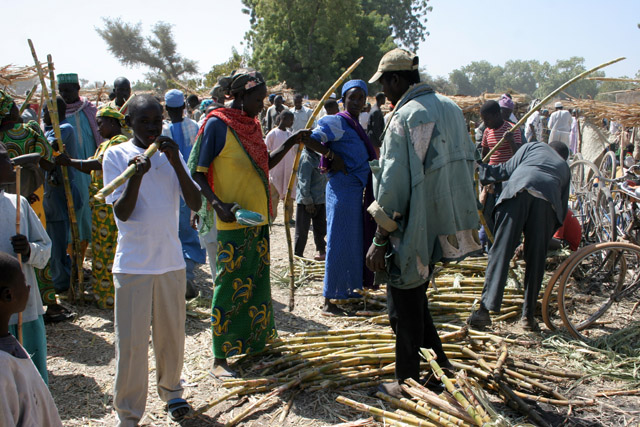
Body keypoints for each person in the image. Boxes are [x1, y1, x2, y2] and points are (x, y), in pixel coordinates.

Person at [365, 48, 481, 399]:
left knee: (402, 306)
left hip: (412, 226)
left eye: (384, 84)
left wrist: (380, 238)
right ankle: (441, 371)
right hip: (445, 222)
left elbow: (394, 185)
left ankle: (407, 383)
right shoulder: (451, 108)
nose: (383, 94)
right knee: (414, 300)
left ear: (396, 79)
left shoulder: (406, 117)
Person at [188, 69, 308, 379]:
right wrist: (217, 205)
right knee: (228, 287)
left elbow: (264, 163)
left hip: (257, 221)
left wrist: (294, 140)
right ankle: (219, 356)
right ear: (240, 97)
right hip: (232, 219)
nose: (261, 105)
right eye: (257, 99)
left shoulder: (252, 125)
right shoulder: (217, 124)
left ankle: (255, 343)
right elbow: (197, 172)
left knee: (256, 284)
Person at [102, 94, 201, 425]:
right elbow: (123, 213)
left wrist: (175, 163)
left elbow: (195, 202)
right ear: (128, 122)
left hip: (170, 262)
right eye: (143, 121)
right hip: (133, 265)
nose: (151, 128)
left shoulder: (170, 154)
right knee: (130, 344)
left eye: (156, 121)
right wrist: (137, 176)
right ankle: (128, 412)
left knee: (171, 337)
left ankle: (173, 393)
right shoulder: (116, 156)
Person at [467, 141, 570, 331]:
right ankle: (528, 317)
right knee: (536, 260)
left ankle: (484, 311)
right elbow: (561, 209)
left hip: (517, 191)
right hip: (546, 202)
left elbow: (505, 170)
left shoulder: (533, 147)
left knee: (501, 252)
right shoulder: (564, 167)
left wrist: (479, 169)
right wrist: (544, 237)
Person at [302, 79, 377, 316]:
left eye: (361, 98)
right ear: (343, 100)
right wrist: (332, 154)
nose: (356, 102)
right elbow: (309, 140)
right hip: (342, 191)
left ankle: (348, 290)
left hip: (355, 193)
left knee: (352, 243)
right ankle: (329, 300)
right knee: (336, 243)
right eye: (352, 97)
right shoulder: (337, 121)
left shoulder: (355, 124)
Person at [0, 90, 70, 323]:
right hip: (32, 197)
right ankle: (48, 304)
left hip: (15, 199)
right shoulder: (30, 131)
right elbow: (49, 161)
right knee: (36, 246)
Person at [55, 106, 129, 309]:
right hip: (99, 208)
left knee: (109, 250)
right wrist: (70, 160)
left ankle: (113, 298)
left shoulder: (119, 143)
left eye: (100, 123)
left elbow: (98, 165)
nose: (97, 128)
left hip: (110, 206)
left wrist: (70, 162)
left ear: (113, 123)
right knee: (102, 251)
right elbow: (91, 165)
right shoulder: (105, 144)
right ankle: (104, 295)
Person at [0, 144, 53, 384]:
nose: (13, 163)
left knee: (31, 370)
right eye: (5, 159)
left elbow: (45, 248)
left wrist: (30, 249)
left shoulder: (18, 204)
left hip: (25, 309)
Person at [0, 253, 62, 426]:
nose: (28, 287)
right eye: (23, 281)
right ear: (8, 295)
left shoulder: (9, 348)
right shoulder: (3, 367)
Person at [162, 89, 206, 299]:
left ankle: (177, 276)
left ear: (167, 109)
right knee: (191, 234)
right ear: (183, 108)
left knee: (175, 233)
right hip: (192, 187)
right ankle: (186, 275)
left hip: (170, 189)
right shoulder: (195, 126)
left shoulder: (163, 132)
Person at [43, 97, 83, 305]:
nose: (42, 115)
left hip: (60, 197)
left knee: (57, 243)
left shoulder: (64, 129)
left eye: (45, 110)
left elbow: (48, 149)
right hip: (51, 197)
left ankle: (62, 283)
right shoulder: (49, 129)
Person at [58, 73, 98, 262]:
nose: (65, 94)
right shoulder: (56, 114)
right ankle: (72, 264)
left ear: (77, 89)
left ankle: (80, 261)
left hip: (89, 172)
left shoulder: (89, 110)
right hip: (68, 173)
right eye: (61, 91)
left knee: (88, 216)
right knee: (71, 214)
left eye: (68, 90)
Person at [294, 144, 327, 260]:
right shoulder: (306, 159)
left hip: (319, 200)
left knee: (320, 228)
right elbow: (304, 182)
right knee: (302, 231)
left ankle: (321, 251)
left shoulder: (317, 157)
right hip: (306, 203)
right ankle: (298, 256)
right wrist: (308, 201)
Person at [265, 110, 296, 222]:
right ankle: (271, 217)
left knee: (289, 196)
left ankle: (289, 218)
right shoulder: (272, 134)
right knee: (273, 196)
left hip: (288, 170)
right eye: (290, 120)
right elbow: (267, 150)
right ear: (283, 119)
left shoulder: (290, 134)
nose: (292, 122)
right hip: (275, 170)